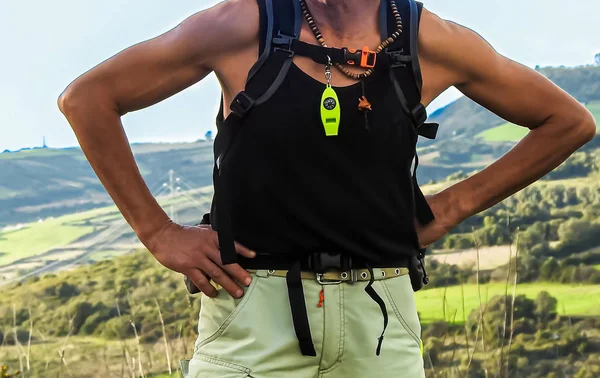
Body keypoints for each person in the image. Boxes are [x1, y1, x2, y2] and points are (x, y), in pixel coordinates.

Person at [58, 0, 596, 377]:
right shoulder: (241, 26)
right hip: (253, 309)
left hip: (380, 316)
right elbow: (88, 99)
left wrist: (453, 206)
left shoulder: (430, 41)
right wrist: (158, 233)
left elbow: (567, 121)